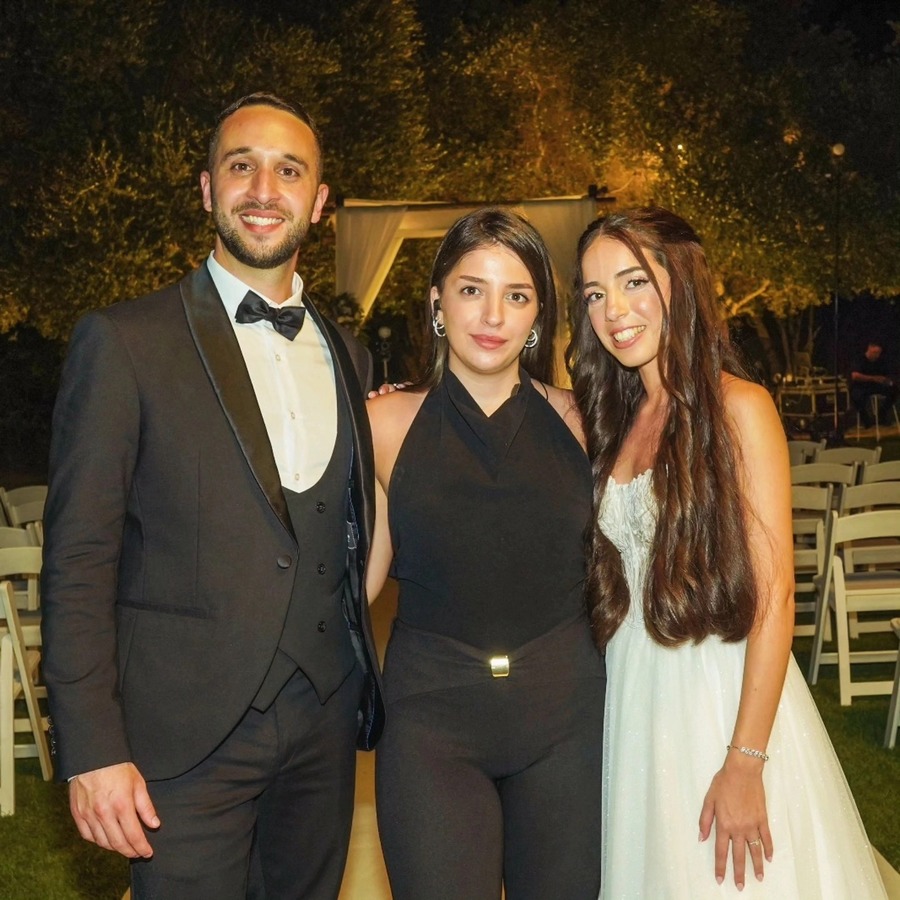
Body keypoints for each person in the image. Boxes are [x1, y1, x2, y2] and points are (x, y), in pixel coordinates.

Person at [40, 92, 384, 900]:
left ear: (319, 202)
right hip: (180, 743)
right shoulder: (123, 341)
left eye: (289, 171)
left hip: (323, 730)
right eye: (241, 166)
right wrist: (92, 748)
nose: (264, 189)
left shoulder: (351, 356)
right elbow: (79, 558)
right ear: (206, 189)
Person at [566, 207, 887, 899]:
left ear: (679, 283)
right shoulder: (608, 418)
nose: (613, 310)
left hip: (717, 698)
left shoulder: (740, 407)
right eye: (594, 293)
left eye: (633, 281)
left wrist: (745, 760)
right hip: (632, 697)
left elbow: (775, 599)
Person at [366, 208, 606, 899]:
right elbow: (353, 586)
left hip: (565, 720)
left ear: (539, 316)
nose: (493, 315)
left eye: (517, 295)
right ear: (437, 302)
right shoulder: (382, 423)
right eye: (472, 289)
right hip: (430, 724)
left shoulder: (587, 423)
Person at [850, 340, 897, 428]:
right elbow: (855, 376)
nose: (877, 355)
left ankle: (881, 414)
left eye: (879, 353)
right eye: (875, 353)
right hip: (862, 385)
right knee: (856, 396)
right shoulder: (860, 359)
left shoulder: (880, 361)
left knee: (894, 390)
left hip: (875, 386)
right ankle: (865, 419)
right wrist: (873, 378)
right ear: (869, 348)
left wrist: (888, 381)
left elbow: (885, 374)